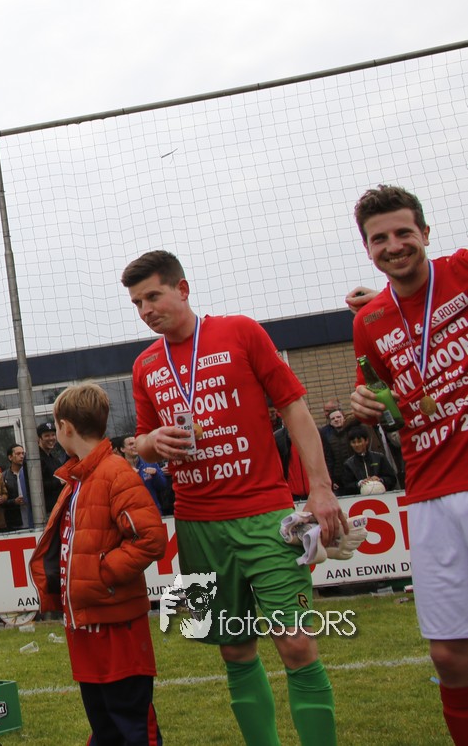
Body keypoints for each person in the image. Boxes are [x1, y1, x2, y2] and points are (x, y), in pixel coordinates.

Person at [124, 250, 342, 746]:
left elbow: (294, 408)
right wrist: (153, 441)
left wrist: (321, 488)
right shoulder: (145, 365)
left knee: (296, 644)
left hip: (265, 516)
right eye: (137, 303)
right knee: (235, 651)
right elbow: (141, 441)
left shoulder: (241, 332)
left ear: (182, 289)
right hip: (197, 526)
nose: (146, 310)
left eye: (153, 296)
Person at [347, 185, 468, 743]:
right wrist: (363, 401)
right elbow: (374, 389)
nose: (393, 245)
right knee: (448, 654)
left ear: (425, 232)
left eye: (403, 233)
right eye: (380, 239)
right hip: (428, 491)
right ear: (367, 248)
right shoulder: (369, 320)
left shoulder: (462, 272)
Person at [31, 384, 166, 746]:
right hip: (87, 624)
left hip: (117, 626)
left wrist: (103, 573)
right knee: (105, 726)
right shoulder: (79, 478)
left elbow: (151, 538)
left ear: (65, 427)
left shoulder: (115, 472)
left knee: (132, 726)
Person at [335, 426, 397, 496]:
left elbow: (392, 479)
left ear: (366, 441)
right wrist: (359, 483)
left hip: (383, 496)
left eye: (359, 441)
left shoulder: (379, 458)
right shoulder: (348, 464)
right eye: (353, 442)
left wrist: (380, 480)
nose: (356, 445)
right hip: (360, 499)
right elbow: (346, 486)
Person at [36, 421, 68, 511]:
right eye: (47, 436)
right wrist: (60, 482)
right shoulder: (35, 460)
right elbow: (37, 486)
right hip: (45, 511)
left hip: (58, 507)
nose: (51, 438)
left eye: (53, 435)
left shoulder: (53, 458)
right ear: (39, 438)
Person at [2, 444, 31, 530]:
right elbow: (1, 501)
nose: (22, 456)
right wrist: (14, 501)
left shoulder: (31, 473)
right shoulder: (3, 476)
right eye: (18, 454)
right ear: (10, 457)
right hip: (14, 522)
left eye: (23, 453)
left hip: (32, 517)